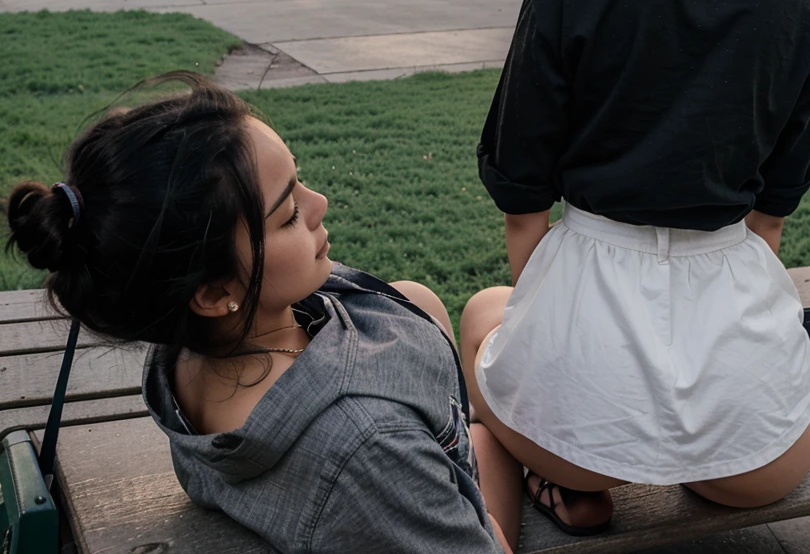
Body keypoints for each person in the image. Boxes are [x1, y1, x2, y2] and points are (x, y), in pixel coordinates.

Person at [466, 0, 810, 537]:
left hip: (574, 426)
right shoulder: (792, 8)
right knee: (714, 451)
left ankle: (567, 482)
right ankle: (667, 459)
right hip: (761, 450)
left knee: (485, 312)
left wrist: (566, 353)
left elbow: (523, 195)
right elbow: (767, 222)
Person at [4, 75, 521, 554]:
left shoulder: (192, 348)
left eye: (300, 184)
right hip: (450, 500)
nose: (318, 203)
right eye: (289, 214)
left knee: (422, 299)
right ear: (211, 292)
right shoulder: (365, 448)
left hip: (410, 457)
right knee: (500, 393)